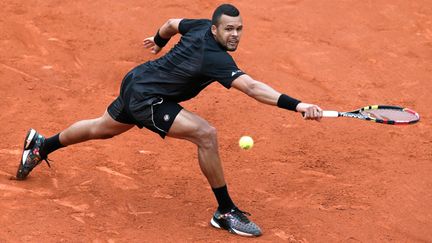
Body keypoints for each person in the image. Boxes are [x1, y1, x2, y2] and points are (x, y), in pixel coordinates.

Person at [16, 4, 322, 237]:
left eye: (239, 29)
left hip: (137, 80)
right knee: (206, 134)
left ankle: (42, 145)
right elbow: (253, 88)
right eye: (229, 29)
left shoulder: (201, 25)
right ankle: (225, 212)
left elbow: (171, 23)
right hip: (149, 98)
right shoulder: (215, 58)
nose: (235, 35)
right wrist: (299, 105)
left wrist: (160, 42)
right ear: (215, 30)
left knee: (102, 128)